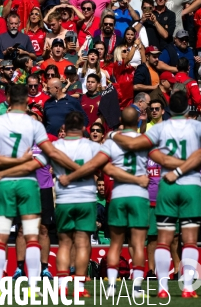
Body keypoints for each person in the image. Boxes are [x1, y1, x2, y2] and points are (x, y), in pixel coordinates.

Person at [0, 85, 78, 298]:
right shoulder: (34, 125)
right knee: (31, 236)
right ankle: (32, 288)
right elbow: (52, 153)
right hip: (28, 185)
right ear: (27, 100)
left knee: (0, 238)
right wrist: (80, 169)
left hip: (5, 183)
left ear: (8, 99)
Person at [109, 92, 201, 298]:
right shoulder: (198, 126)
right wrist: (190, 162)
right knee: (189, 240)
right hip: (190, 185)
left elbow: (133, 144)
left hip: (167, 185)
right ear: (188, 108)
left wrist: (112, 135)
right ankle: (187, 287)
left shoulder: (160, 128)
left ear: (168, 108)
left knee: (163, 239)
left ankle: (162, 288)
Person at [63, 107, 152, 298]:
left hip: (118, 195)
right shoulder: (146, 141)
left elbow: (99, 166)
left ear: (121, 120)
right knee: (137, 244)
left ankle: (111, 287)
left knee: (115, 244)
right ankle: (136, 289)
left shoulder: (111, 143)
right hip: (139, 195)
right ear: (138, 121)